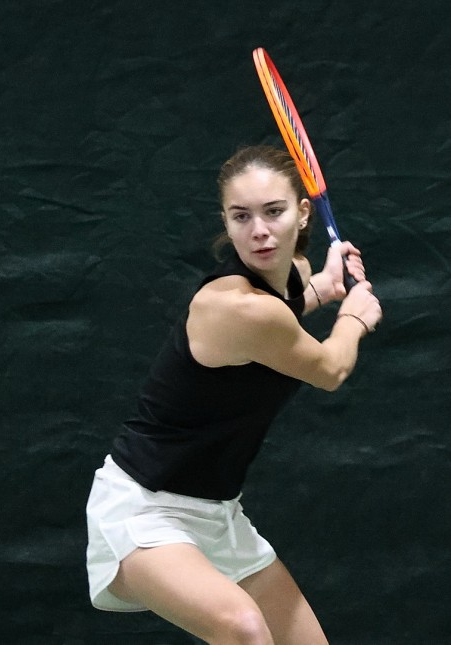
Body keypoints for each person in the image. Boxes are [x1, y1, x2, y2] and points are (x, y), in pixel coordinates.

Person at [86, 145, 382, 645]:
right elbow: (329, 369)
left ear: (302, 213)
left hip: (218, 515)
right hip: (145, 509)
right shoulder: (233, 306)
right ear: (225, 221)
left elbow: (282, 314)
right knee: (242, 627)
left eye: (273, 212)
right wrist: (353, 317)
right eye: (241, 216)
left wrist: (326, 286)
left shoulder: (291, 276)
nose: (259, 230)